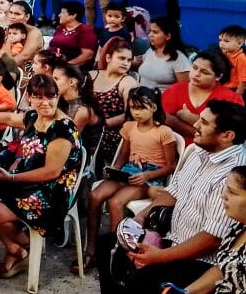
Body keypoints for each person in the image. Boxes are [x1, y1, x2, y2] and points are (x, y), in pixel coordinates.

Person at [97, 100, 246, 293]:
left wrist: (160, 256)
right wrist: (141, 216)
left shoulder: (234, 176)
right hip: (171, 240)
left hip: (200, 261)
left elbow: (212, 238)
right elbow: (174, 192)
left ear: (227, 136)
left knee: (141, 279)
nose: (195, 125)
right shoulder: (200, 151)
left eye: (204, 122)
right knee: (107, 245)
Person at [0, 74, 83, 278]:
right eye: (39, 97)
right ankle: (17, 251)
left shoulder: (63, 128)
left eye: (50, 96)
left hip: (51, 191)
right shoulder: (33, 117)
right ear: (30, 98)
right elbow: (8, 118)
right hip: (25, 181)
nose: (45, 101)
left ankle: (22, 247)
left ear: (58, 97)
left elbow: (52, 172)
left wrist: (11, 178)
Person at [82, 86, 177, 273]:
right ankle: (90, 250)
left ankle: (118, 252)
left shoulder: (164, 132)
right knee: (94, 196)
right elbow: (123, 155)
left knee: (116, 202)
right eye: (133, 108)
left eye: (142, 108)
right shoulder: (128, 127)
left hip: (149, 178)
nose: (137, 112)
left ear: (154, 108)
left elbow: (171, 165)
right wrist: (114, 169)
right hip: (128, 171)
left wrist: (147, 175)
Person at [167, 165, 246, 294]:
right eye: (225, 188)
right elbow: (221, 271)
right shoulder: (237, 229)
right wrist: (185, 292)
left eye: (232, 192)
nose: (223, 195)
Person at [163, 51, 244, 145]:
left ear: (218, 76)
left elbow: (230, 132)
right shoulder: (176, 89)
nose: (196, 74)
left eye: (204, 72)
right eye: (194, 68)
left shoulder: (230, 98)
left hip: (213, 153)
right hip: (173, 150)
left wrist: (190, 118)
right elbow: (163, 118)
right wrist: (205, 129)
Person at [90, 37, 139, 172]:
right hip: (87, 126)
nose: (126, 63)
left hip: (111, 132)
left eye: (129, 60)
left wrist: (103, 124)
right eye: (121, 58)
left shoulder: (127, 82)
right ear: (108, 58)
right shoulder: (91, 76)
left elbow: (131, 114)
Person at [139, 16, 192, 91]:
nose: (150, 35)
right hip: (141, 99)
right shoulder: (150, 51)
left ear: (168, 36)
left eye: (155, 32)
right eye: (150, 31)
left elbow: (184, 90)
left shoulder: (179, 59)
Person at [48, 1, 97, 68]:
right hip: (51, 64)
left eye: (62, 13)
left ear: (73, 15)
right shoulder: (60, 28)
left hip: (68, 68)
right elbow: (51, 47)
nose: (59, 15)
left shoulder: (85, 31)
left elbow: (87, 55)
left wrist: (66, 66)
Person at [219, 24, 246, 95]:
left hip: (235, 89)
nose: (221, 43)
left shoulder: (241, 58)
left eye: (226, 41)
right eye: (220, 40)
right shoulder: (224, 54)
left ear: (239, 43)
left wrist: (237, 96)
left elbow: (243, 81)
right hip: (224, 87)